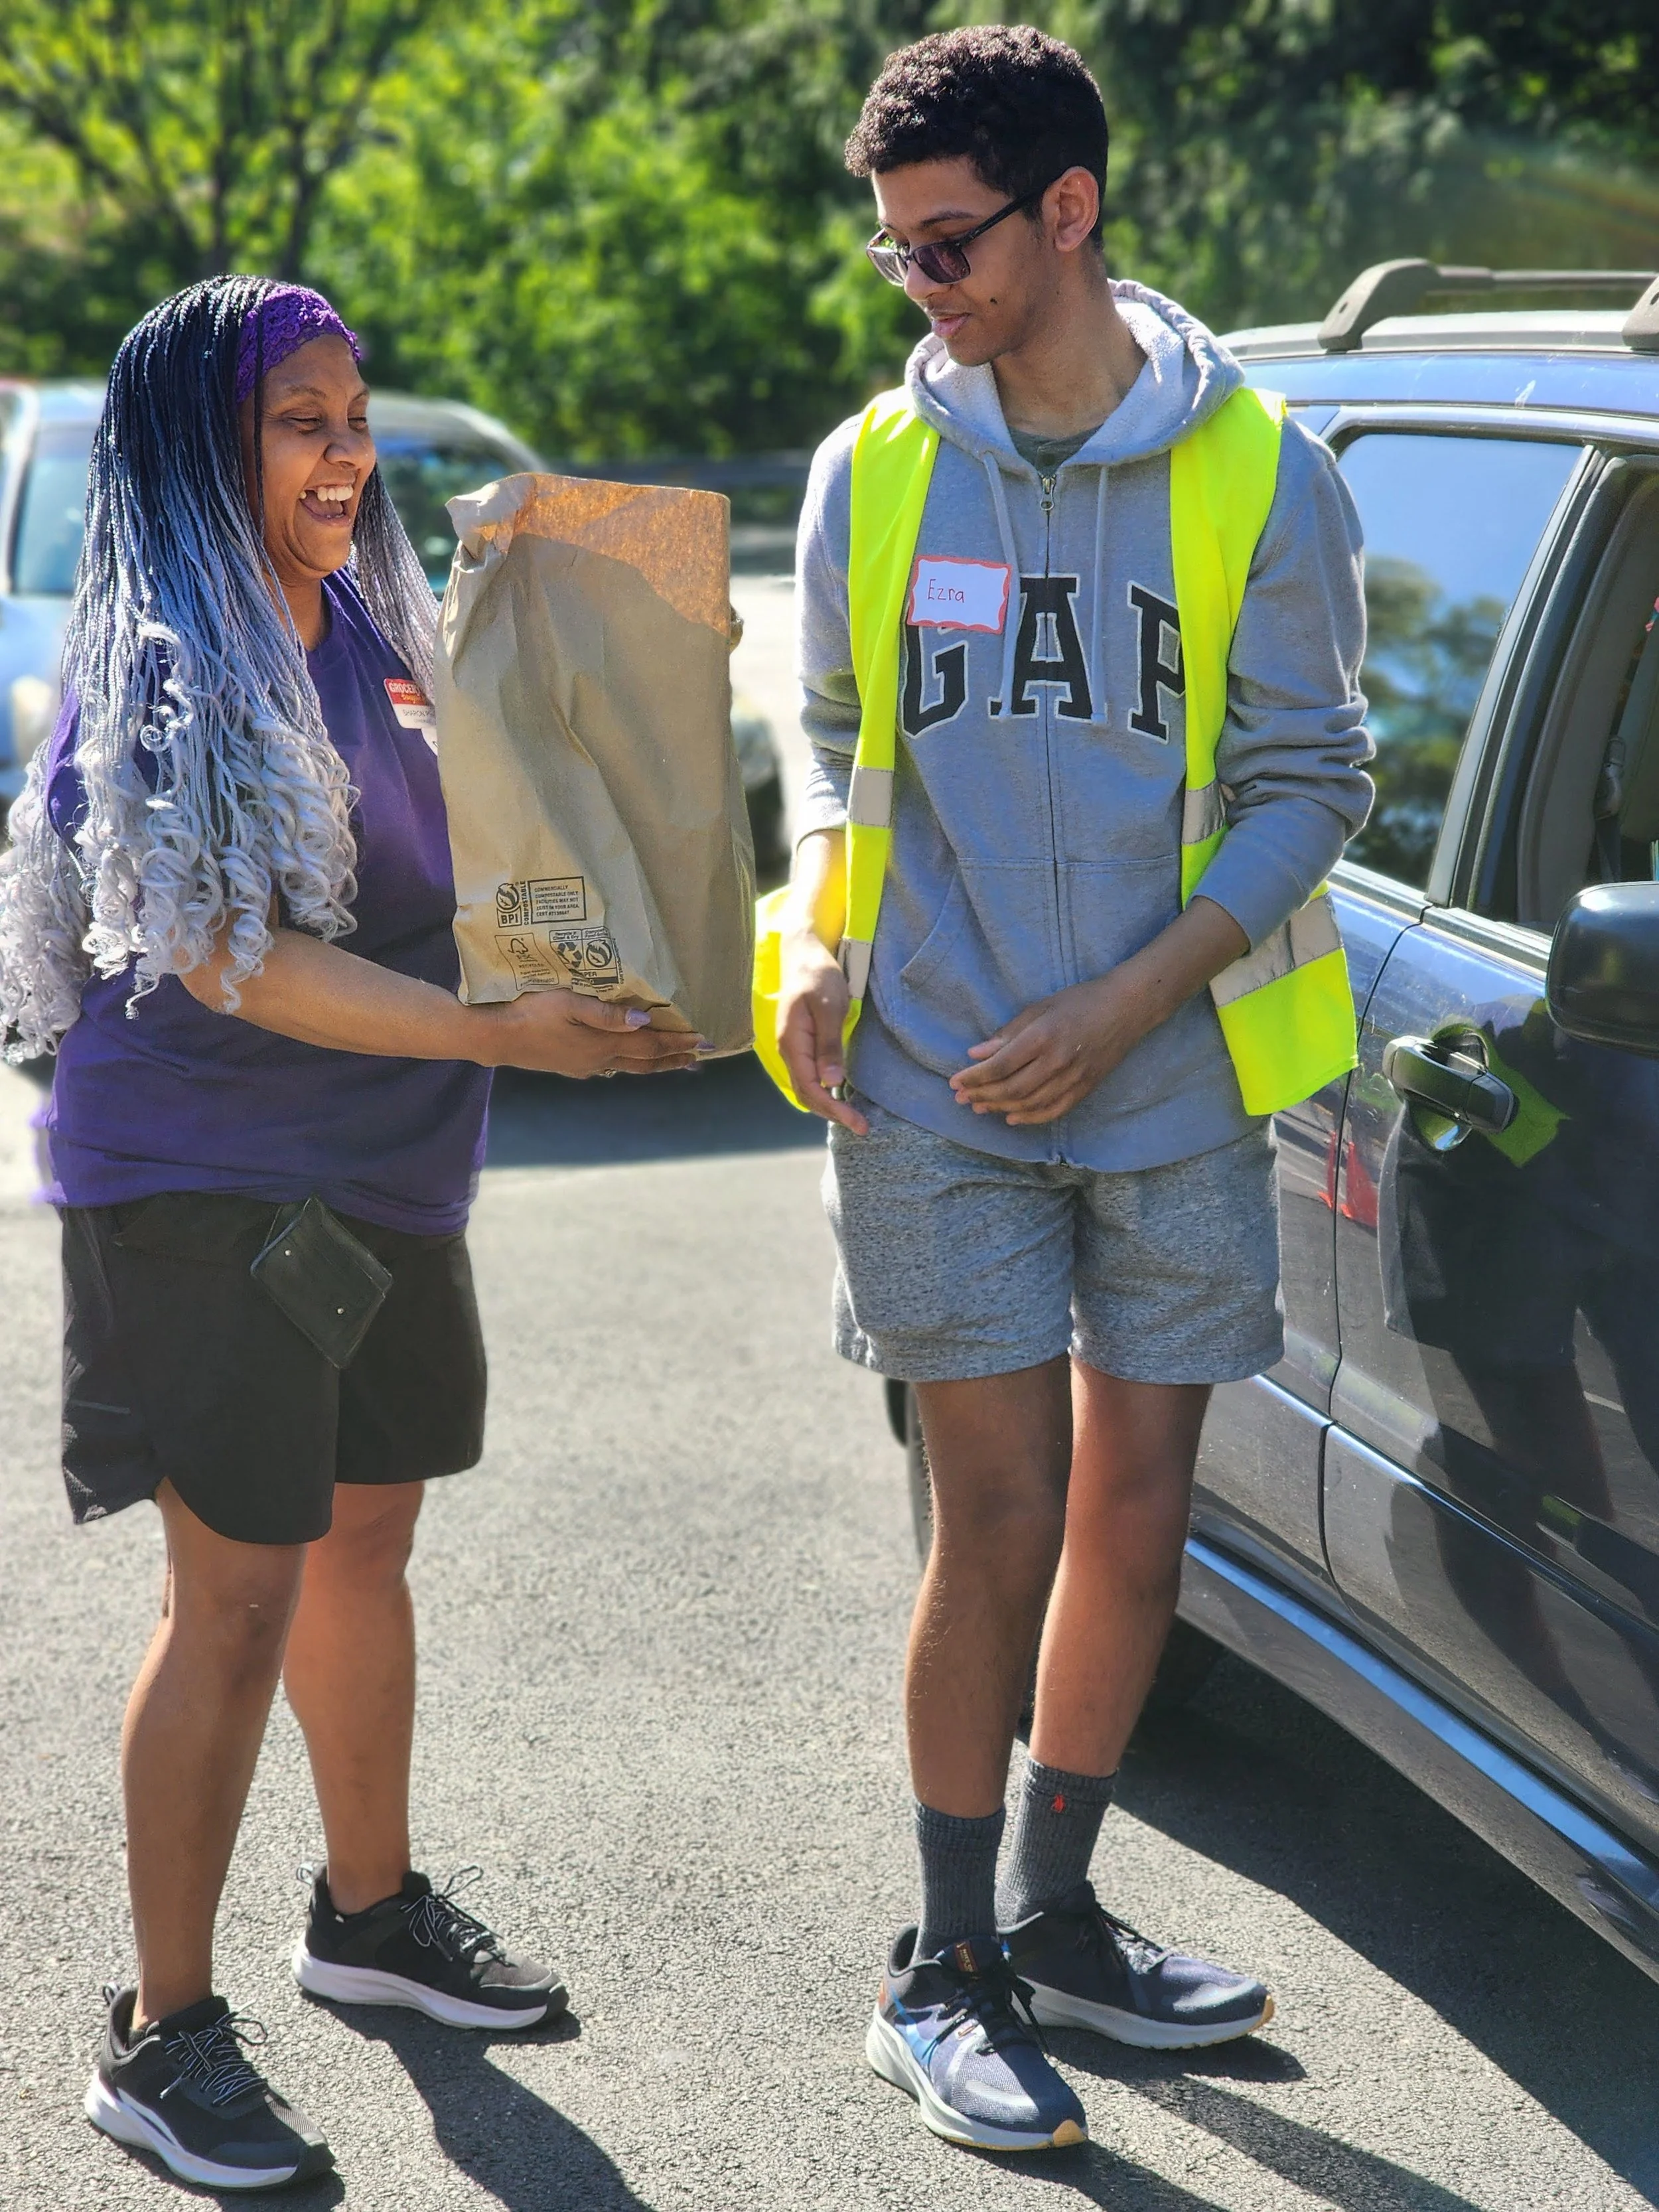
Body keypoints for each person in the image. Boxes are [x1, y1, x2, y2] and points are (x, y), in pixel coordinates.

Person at [0, 276, 698, 2192]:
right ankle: (159, 2032)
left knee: (363, 1538)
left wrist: (626, 952)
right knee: (227, 1595)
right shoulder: (166, 670)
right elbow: (226, 955)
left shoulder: (385, 637)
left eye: (352, 411)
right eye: (298, 418)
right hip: (204, 1179)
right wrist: (503, 1031)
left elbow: (488, 867)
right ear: (205, 450)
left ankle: (366, 1919)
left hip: (388, 1170)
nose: (345, 450)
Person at [770, 27, 1373, 2152]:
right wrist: (817, 934)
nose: (916, 284)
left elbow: (1313, 785)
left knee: (1137, 1511)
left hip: (1166, 1078)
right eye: (893, 251)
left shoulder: (1256, 469)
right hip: (933, 1084)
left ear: (1070, 213)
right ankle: (935, 1969)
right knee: (997, 1508)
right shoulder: (876, 467)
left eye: (948, 245)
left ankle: (1056, 1917)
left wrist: (1128, 1009)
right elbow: (839, 741)